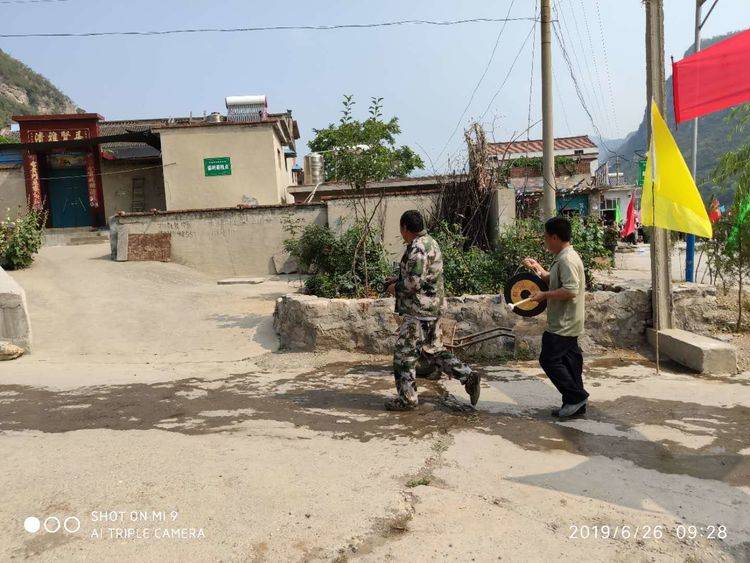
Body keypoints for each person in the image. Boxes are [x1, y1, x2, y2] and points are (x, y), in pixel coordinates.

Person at [384, 210, 480, 411]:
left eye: (401, 229)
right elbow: (424, 276)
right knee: (433, 351)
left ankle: (407, 399)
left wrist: (396, 288)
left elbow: (415, 282)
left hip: (419, 312)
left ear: (405, 228)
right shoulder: (430, 242)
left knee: (404, 357)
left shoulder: (418, 248)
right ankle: (467, 375)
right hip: (432, 308)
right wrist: (398, 279)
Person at [522, 216, 589, 418]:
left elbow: (570, 290)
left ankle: (576, 397)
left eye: (546, 237)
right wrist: (538, 269)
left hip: (563, 323)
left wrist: (544, 295)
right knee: (570, 362)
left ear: (554, 237)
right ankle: (576, 404)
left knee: (549, 359)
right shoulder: (565, 256)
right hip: (569, 321)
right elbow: (553, 279)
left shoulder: (567, 260)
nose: (545, 241)